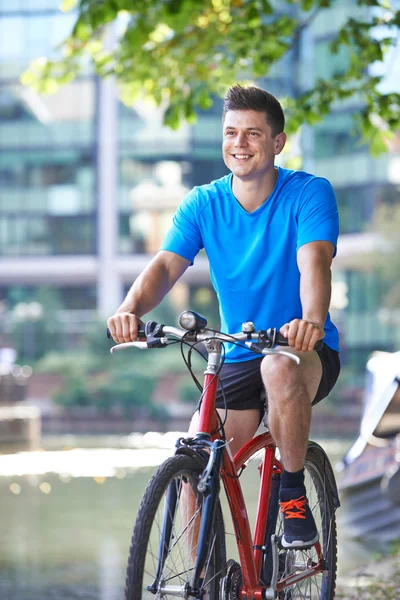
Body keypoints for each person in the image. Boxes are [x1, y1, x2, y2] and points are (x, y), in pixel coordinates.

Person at [107, 85, 340, 549]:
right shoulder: (203, 202)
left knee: (278, 365)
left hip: (300, 348)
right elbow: (165, 267)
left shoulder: (309, 193)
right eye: (231, 133)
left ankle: (292, 494)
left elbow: (313, 263)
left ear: (278, 142)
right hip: (236, 353)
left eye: (253, 133)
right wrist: (130, 308)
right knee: (198, 460)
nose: (240, 143)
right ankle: (205, 580)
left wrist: (310, 320)